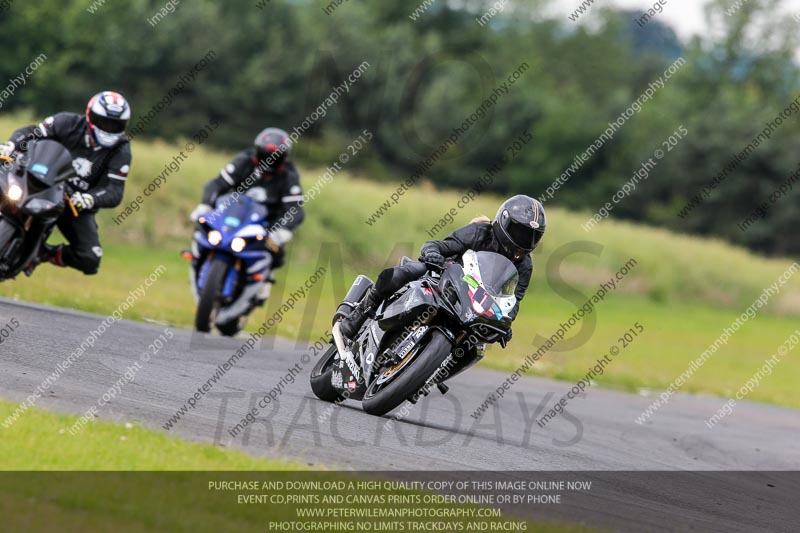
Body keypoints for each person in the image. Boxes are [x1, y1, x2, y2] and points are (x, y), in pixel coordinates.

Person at [339, 195, 546, 341]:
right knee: (400, 274)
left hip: (473, 306)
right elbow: (438, 245)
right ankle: (359, 316)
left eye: (532, 236)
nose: (524, 241)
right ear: (503, 221)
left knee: (477, 344)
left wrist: (506, 323)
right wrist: (433, 256)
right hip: (441, 277)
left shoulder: (524, 265)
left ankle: (428, 372)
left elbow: (513, 301)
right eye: (520, 232)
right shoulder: (480, 232)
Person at [0, 91, 132, 275]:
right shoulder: (65, 122)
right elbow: (31, 133)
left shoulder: (121, 151)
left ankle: (43, 253)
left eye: (115, 125)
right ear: (90, 116)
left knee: (90, 257)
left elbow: (114, 190)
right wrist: (13, 145)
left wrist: (90, 199)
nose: (108, 128)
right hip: (38, 183)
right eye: (103, 121)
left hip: (74, 203)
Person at [189, 127, 304, 301]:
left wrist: (283, 230)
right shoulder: (243, 161)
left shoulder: (289, 175)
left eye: (275, 157)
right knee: (203, 228)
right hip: (234, 214)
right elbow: (216, 184)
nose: (269, 161)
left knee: (276, 249)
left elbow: (295, 208)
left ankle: (264, 280)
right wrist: (205, 204)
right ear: (258, 151)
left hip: (266, 223)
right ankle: (198, 259)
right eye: (265, 155)